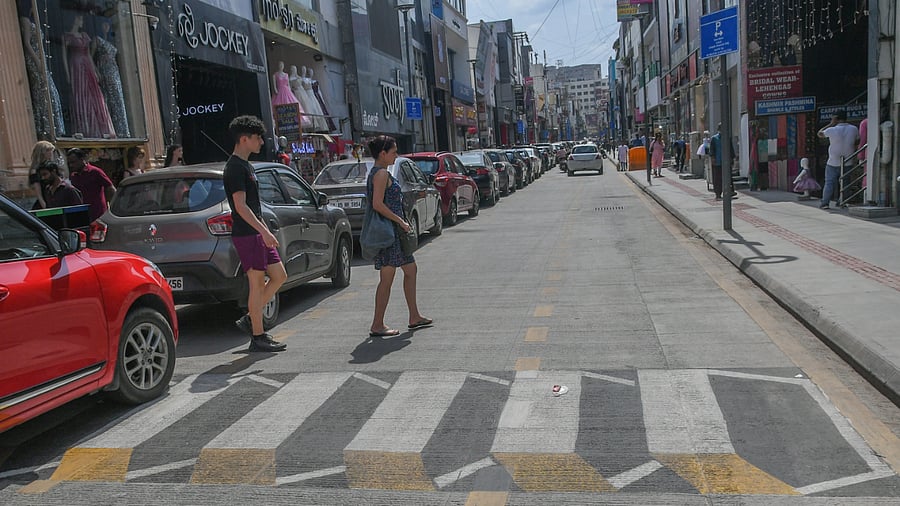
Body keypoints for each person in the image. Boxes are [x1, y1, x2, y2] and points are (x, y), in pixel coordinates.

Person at [224, 115, 287, 352]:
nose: (261, 142)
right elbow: (240, 206)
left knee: (280, 275)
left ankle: (253, 317)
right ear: (244, 139)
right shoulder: (234, 168)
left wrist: (265, 230)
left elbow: (252, 204)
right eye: (257, 137)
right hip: (247, 234)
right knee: (257, 283)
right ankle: (258, 336)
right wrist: (263, 231)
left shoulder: (246, 165)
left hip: (257, 232)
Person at [366, 135, 431, 337]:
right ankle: (377, 324)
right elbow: (377, 204)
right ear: (382, 154)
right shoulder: (380, 175)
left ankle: (414, 316)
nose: (396, 155)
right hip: (390, 233)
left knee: (410, 270)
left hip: (396, 233)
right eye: (393, 152)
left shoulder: (381, 172)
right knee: (387, 278)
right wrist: (400, 221)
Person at [817, 109, 859, 209]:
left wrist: (830, 124)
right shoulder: (853, 129)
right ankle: (842, 201)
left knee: (829, 182)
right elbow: (857, 140)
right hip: (848, 160)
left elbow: (819, 134)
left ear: (835, 118)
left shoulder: (832, 130)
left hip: (833, 161)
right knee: (846, 183)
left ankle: (825, 203)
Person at [66, 148, 115, 222]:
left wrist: (111, 208)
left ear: (82, 159)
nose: (71, 165)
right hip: (82, 216)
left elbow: (110, 188)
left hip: (98, 215)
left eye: (73, 162)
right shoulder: (73, 176)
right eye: (69, 163)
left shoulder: (95, 172)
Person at [708, 124, 736, 200]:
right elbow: (712, 151)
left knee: (728, 177)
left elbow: (731, 149)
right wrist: (713, 159)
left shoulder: (727, 138)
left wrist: (732, 159)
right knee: (718, 179)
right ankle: (718, 193)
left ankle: (730, 191)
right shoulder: (714, 138)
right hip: (718, 162)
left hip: (726, 162)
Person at [29, 140, 58, 209]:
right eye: (49, 151)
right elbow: (38, 193)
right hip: (45, 202)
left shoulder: (50, 166)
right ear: (43, 152)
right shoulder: (35, 170)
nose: (51, 154)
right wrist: (45, 206)